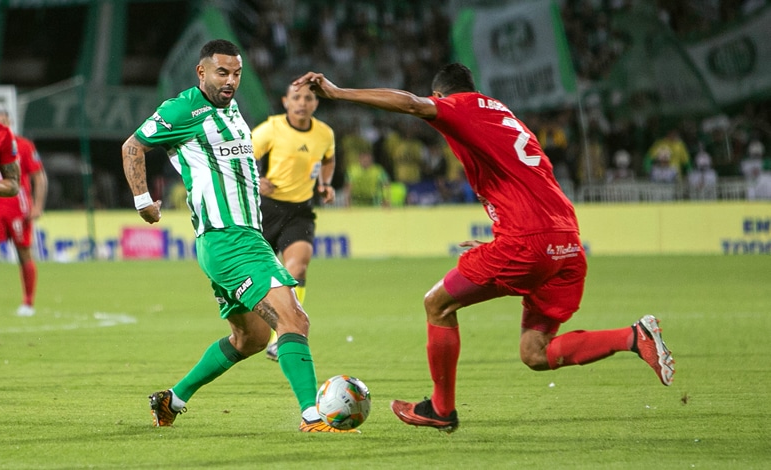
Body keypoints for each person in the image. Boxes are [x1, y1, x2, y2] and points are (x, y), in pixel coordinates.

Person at [293, 63, 675, 433]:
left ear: (440, 95)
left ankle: (441, 410)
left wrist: (338, 92)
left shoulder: (462, 107)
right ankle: (633, 336)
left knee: (437, 304)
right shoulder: (504, 115)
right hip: (566, 241)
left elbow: (411, 104)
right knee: (535, 353)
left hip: (529, 241)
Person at [121, 39, 353, 433]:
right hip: (229, 240)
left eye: (236, 73)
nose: (230, 81)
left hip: (239, 239)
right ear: (202, 72)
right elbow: (133, 146)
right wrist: (143, 200)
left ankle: (171, 400)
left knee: (251, 339)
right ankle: (313, 417)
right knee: (294, 320)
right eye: (222, 72)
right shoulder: (183, 109)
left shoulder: (232, 111)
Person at [251, 81, 336, 361]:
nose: (302, 103)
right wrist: (256, 180)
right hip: (265, 210)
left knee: (297, 268)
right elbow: (240, 158)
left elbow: (328, 159)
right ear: (286, 101)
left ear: (316, 103)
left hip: (300, 212)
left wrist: (325, 183)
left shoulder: (324, 133)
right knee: (257, 278)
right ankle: (254, 328)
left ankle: (282, 337)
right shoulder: (270, 129)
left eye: (308, 98)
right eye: (296, 97)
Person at [0, 105, 47, 316]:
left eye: (2, 120)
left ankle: (28, 301)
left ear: (9, 122)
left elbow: (39, 176)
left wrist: (38, 205)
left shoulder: (22, 145)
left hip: (18, 208)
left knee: (23, 253)